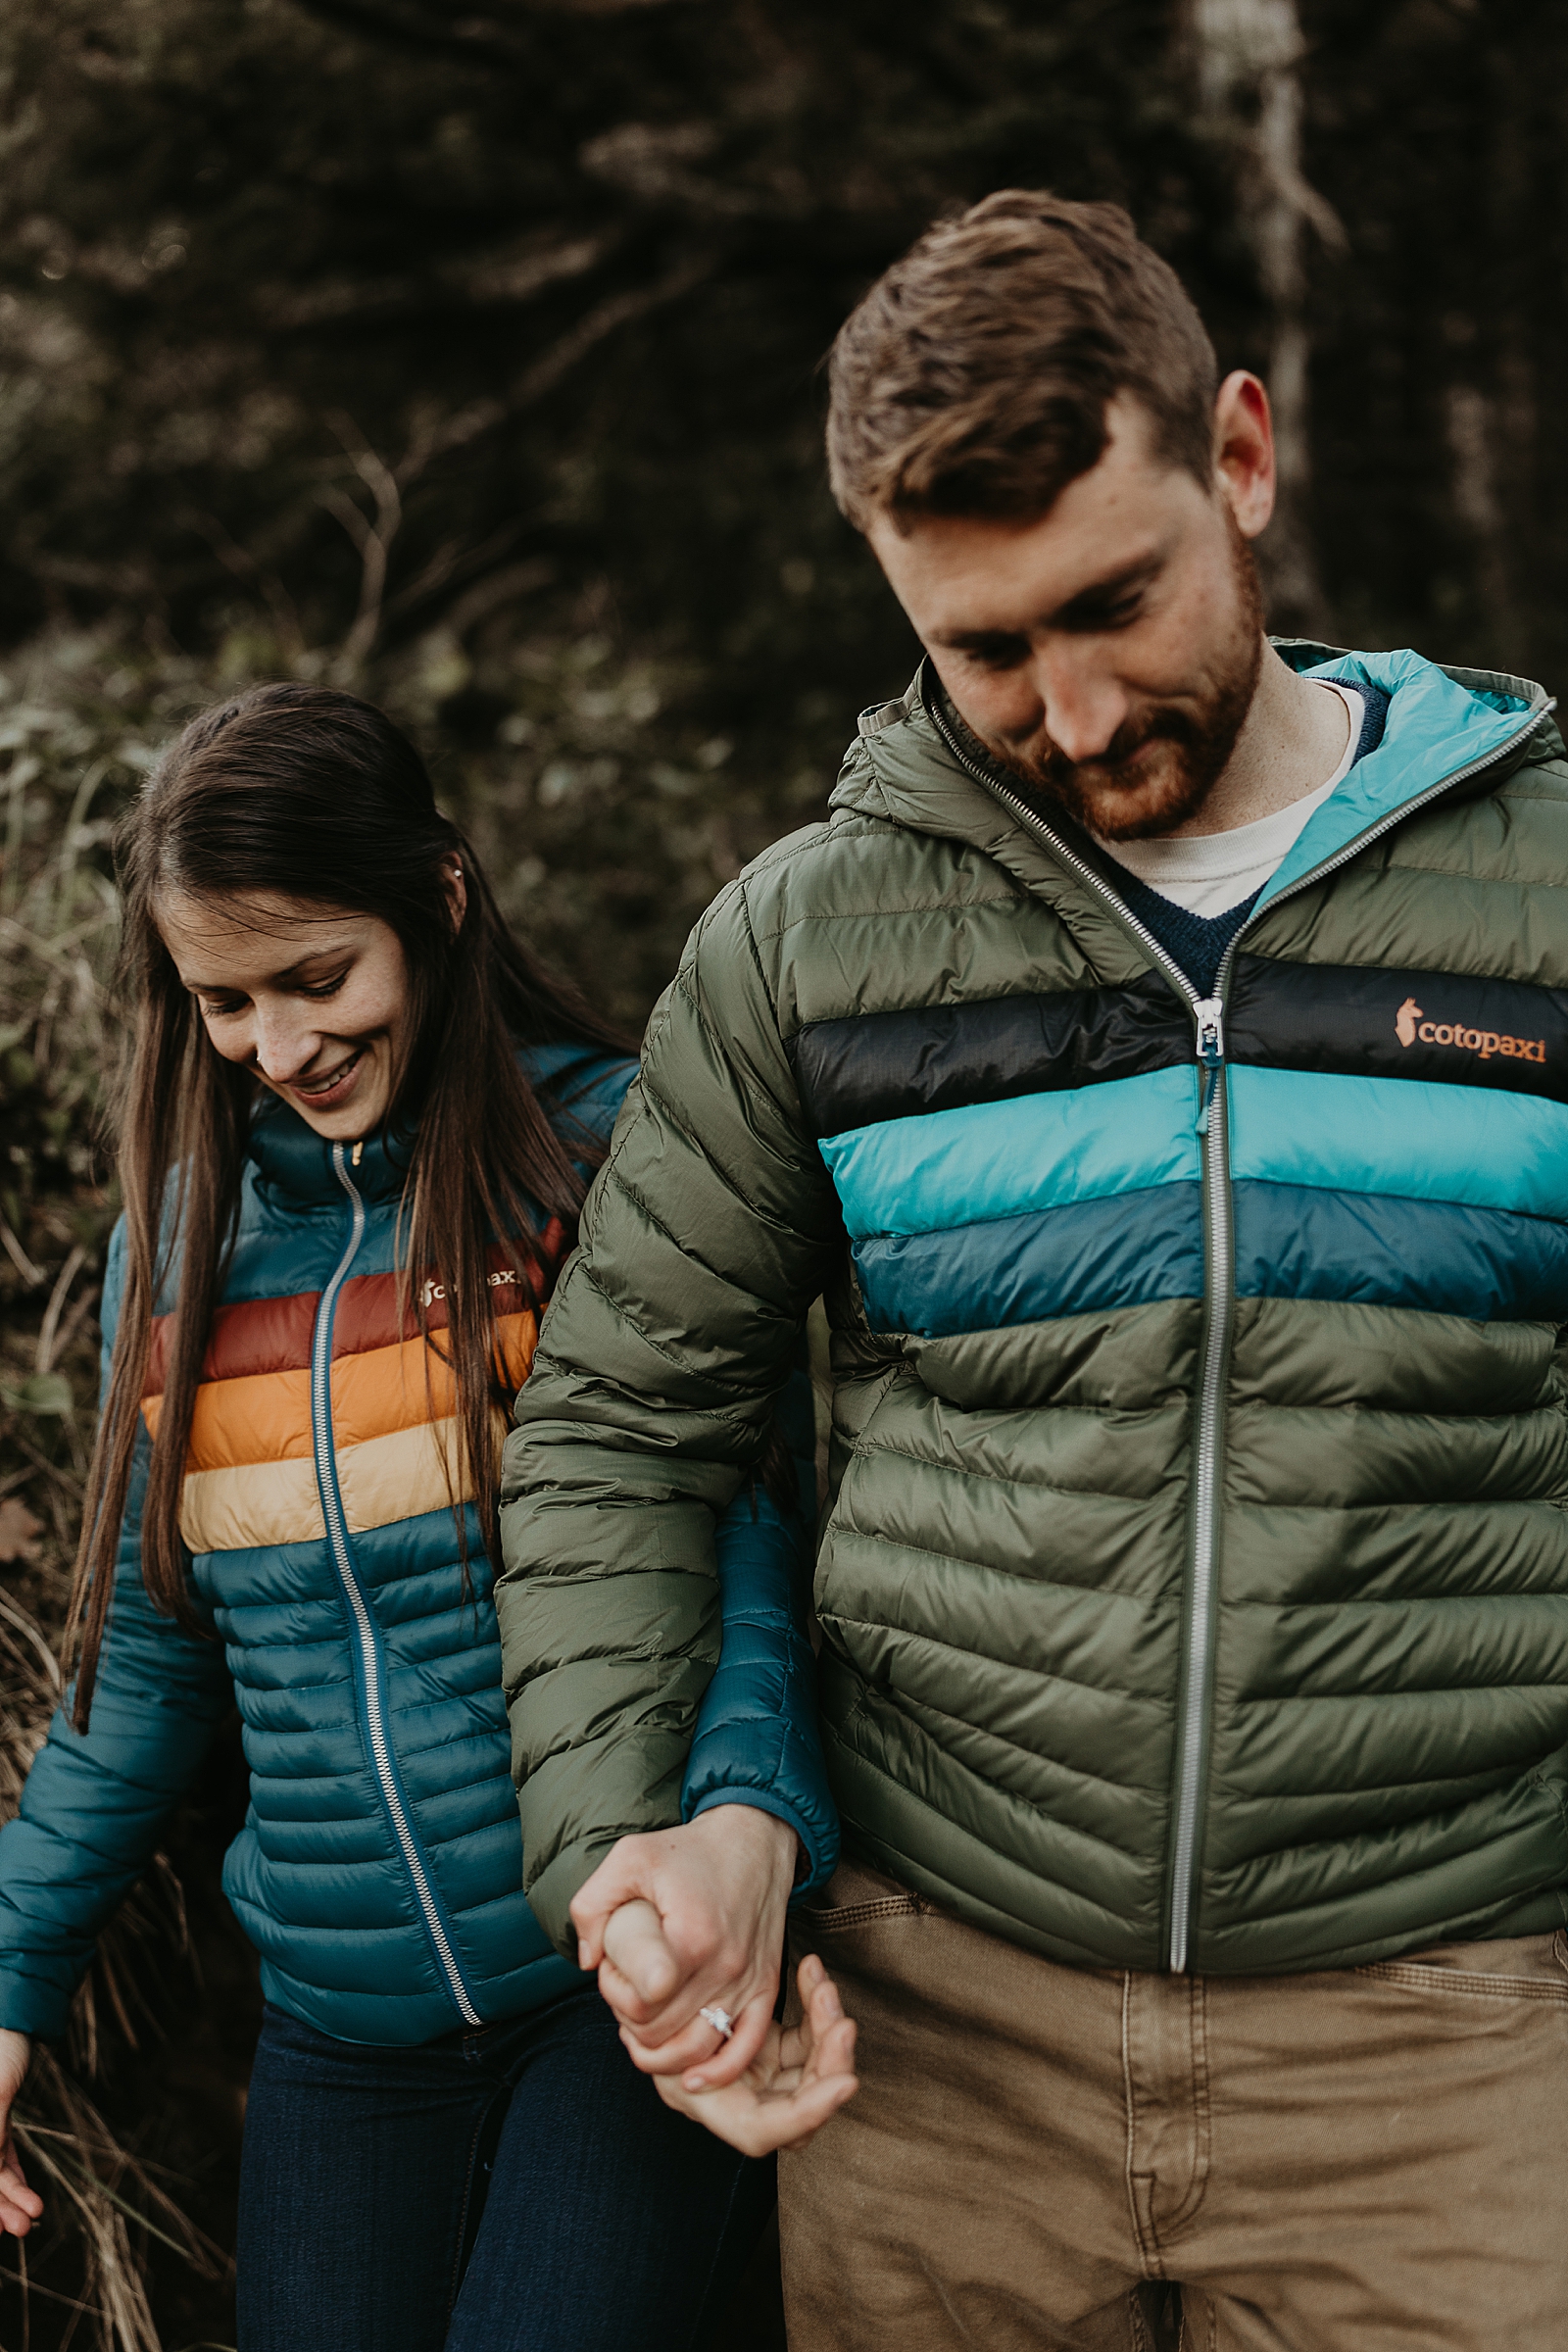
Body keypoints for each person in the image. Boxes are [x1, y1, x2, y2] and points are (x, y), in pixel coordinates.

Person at [496, 188, 1568, 2350]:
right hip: (929, 2038)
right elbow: (624, 1423)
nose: (1072, 717)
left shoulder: (1543, 898)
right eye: (986, 650)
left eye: (1112, 604)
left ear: (1237, 462)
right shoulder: (802, 946)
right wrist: (631, 1836)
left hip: (1451, 2040)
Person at [0, 682, 851, 2352]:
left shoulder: (601, 1161)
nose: (282, 1044)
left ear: (438, 900)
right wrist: (10, 1973)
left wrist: (747, 1836)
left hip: (613, 1989)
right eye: (226, 999)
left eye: (319, 976)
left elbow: (745, 1559)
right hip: (335, 2030)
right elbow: (156, 1661)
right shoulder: (170, 1255)